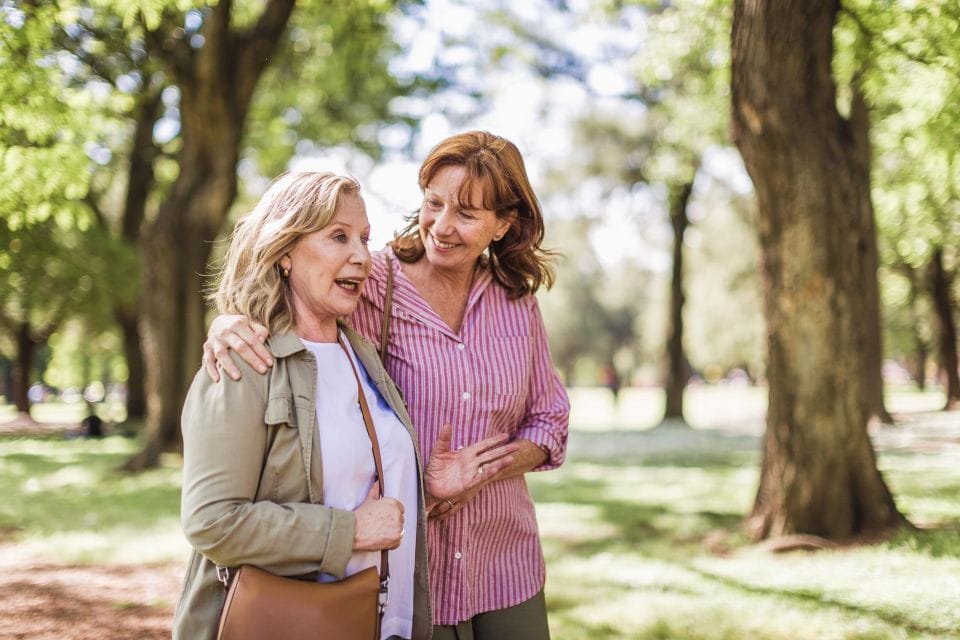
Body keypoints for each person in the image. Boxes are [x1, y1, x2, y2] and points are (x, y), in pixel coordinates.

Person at [203, 132, 570, 639]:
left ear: (503, 224)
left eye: (466, 214)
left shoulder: (516, 302)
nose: (442, 226)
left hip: (505, 559)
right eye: (434, 203)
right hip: (406, 567)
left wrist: (484, 472)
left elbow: (549, 419)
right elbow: (291, 301)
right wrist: (227, 322)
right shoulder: (372, 280)